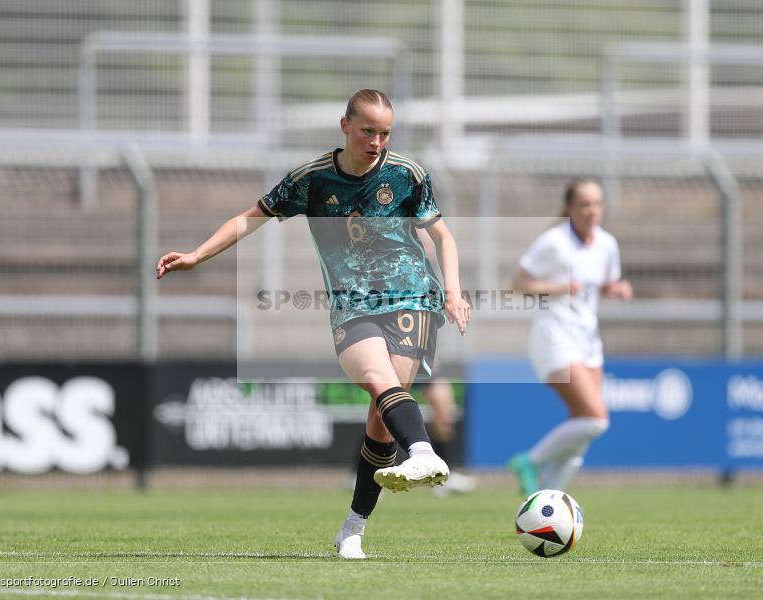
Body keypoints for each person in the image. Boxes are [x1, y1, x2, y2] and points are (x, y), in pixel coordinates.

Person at [156, 89, 471, 559]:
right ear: (345, 126)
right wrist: (197, 255)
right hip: (352, 306)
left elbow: (443, 237)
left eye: (385, 133)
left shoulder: (407, 174)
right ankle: (424, 453)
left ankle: (353, 529)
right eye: (367, 131)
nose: (377, 142)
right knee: (377, 379)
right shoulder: (312, 179)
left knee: (381, 420)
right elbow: (249, 218)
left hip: (412, 298)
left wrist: (453, 292)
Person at [508, 178, 632, 496]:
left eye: (597, 204)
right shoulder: (554, 241)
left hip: (588, 341)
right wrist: (559, 287)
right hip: (555, 338)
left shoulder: (607, 244)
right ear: (569, 207)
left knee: (583, 429)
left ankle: (548, 499)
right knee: (597, 420)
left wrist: (616, 289)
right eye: (585, 204)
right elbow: (519, 284)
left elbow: (603, 284)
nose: (592, 211)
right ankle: (530, 461)